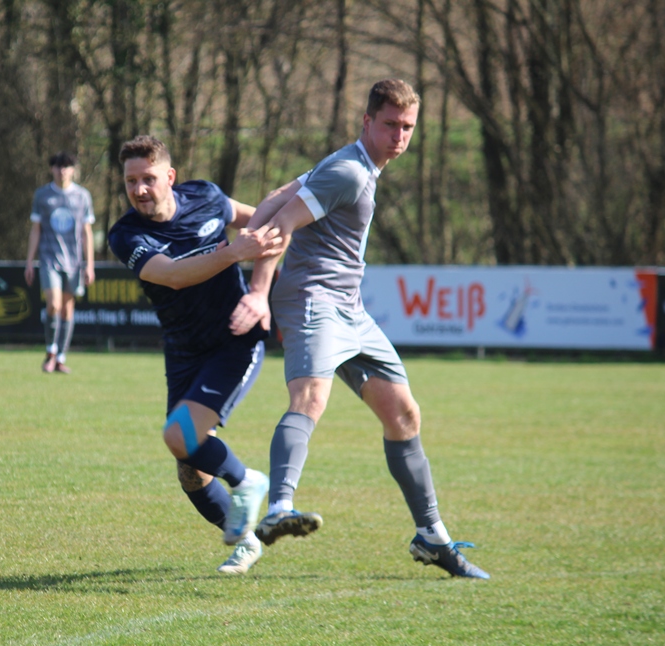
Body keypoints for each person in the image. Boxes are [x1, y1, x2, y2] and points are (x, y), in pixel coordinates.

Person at [230, 79, 490, 579]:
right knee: (310, 398)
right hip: (313, 300)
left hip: (350, 308)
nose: (399, 136)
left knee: (404, 415)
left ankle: (432, 537)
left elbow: (273, 199)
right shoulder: (349, 171)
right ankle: (280, 507)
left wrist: (252, 235)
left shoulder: (352, 164)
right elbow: (280, 224)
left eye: (407, 127)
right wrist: (258, 290)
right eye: (390, 124)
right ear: (367, 122)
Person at [109, 135, 282, 575]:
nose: (139, 189)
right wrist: (235, 252)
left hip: (234, 340)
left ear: (170, 176)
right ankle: (246, 542)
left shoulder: (206, 196)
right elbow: (172, 275)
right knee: (189, 469)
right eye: (130, 181)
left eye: (148, 178)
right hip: (183, 352)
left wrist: (259, 290)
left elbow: (270, 223)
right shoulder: (126, 234)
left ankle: (247, 481)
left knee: (179, 436)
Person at [25, 152, 96, 374]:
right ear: (51, 169)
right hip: (49, 259)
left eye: (66, 166)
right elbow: (36, 230)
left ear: (73, 170)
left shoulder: (82, 196)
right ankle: (50, 352)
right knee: (53, 304)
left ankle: (61, 358)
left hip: (73, 262)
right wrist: (29, 261)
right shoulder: (42, 196)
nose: (62, 171)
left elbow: (86, 232)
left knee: (67, 309)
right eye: (57, 166)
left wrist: (90, 264)